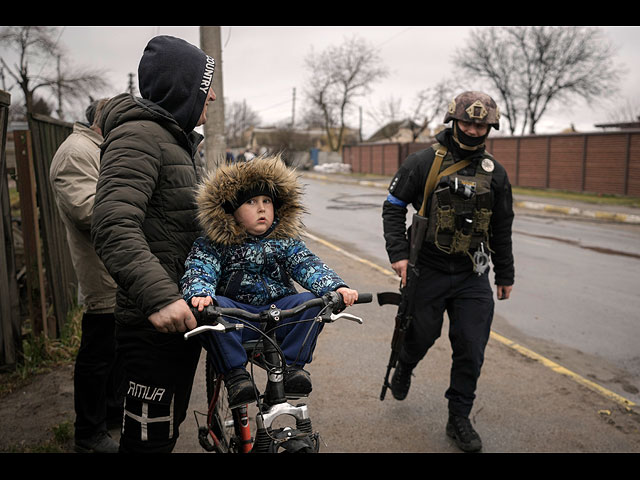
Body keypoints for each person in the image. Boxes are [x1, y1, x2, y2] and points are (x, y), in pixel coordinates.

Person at [91, 35, 217, 453]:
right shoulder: (140, 136)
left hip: (180, 320)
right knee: (148, 443)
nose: (211, 95)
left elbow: (177, 226)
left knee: (165, 432)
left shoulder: (174, 140)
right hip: (153, 326)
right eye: (205, 85)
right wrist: (160, 298)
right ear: (183, 88)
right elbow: (112, 223)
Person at [382, 91, 514, 452]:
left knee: (471, 347)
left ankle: (459, 418)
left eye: (481, 125)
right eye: (467, 122)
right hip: (427, 270)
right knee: (421, 336)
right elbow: (393, 207)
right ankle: (406, 364)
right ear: (453, 121)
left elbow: (502, 227)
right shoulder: (422, 162)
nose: (473, 130)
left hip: (473, 274)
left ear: (490, 128)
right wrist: (399, 255)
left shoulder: (496, 174)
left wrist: (505, 275)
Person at [180, 155, 359, 407]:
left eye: (267, 201)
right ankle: (236, 375)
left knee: (313, 303)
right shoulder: (214, 244)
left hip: (278, 313)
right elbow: (200, 268)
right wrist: (200, 293)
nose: (262, 208)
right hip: (238, 314)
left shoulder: (285, 241)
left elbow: (307, 264)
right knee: (211, 310)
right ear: (231, 210)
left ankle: (292, 368)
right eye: (251, 202)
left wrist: (336, 287)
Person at [49, 98, 123, 454]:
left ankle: (110, 414)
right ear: (102, 120)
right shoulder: (75, 152)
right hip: (100, 270)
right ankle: (89, 433)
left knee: (111, 350)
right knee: (97, 353)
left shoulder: (96, 148)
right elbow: (87, 211)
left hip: (114, 267)